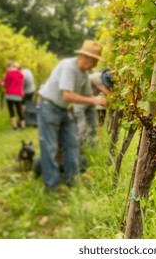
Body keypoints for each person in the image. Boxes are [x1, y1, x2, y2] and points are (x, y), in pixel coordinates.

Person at [37, 40, 108, 191]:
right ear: (86, 57)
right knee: (50, 147)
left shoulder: (83, 74)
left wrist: (104, 102)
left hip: (63, 110)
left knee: (72, 143)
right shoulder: (69, 67)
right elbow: (67, 96)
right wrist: (93, 100)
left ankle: (72, 180)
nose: (95, 65)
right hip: (48, 107)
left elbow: (88, 95)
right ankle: (52, 185)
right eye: (95, 60)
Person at [74, 69, 113, 148]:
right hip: (80, 103)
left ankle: (91, 148)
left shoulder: (103, 79)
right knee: (81, 127)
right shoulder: (96, 78)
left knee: (93, 126)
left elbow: (109, 95)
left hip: (89, 104)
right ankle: (77, 149)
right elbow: (108, 94)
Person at [1, 61, 25, 130]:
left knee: (11, 111)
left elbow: (5, 85)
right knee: (19, 111)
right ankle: (23, 126)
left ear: (11, 67)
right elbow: (21, 85)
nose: (7, 68)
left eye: (8, 67)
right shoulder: (21, 74)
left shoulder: (9, 74)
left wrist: (0, 83)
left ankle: (15, 127)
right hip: (18, 95)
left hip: (10, 94)